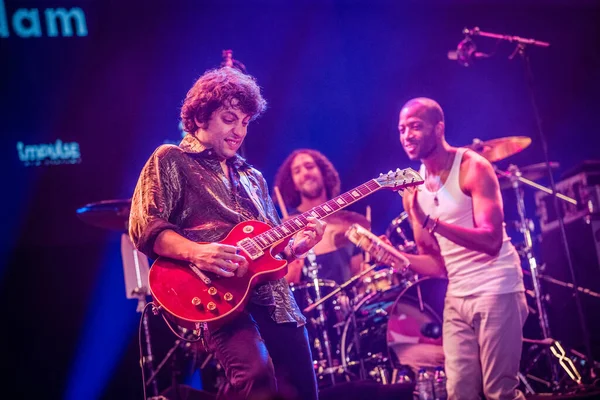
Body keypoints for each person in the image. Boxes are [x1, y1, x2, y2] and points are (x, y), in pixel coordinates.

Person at [128, 67, 326, 400]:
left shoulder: (254, 177)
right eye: (230, 119)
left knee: (302, 390)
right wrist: (196, 251)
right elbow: (145, 226)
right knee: (257, 377)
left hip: (276, 299)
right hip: (218, 295)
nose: (239, 132)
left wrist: (296, 247)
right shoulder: (171, 159)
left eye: (245, 122)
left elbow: (274, 243)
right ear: (202, 116)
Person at [395, 97, 528, 399]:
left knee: (500, 392)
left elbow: (491, 241)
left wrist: (430, 222)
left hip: (497, 288)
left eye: (415, 127)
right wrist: (397, 258)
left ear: (438, 127)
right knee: (459, 393)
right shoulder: (415, 190)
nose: (407, 136)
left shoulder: (472, 167)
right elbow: (437, 263)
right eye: (402, 129)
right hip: (458, 296)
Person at [272, 149, 369, 286]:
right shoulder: (287, 227)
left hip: (346, 305)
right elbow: (282, 287)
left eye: (310, 167)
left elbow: (358, 276)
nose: (305, 173)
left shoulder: (347, 223)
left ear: (323, 173)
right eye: (297, 171)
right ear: (293, 184)